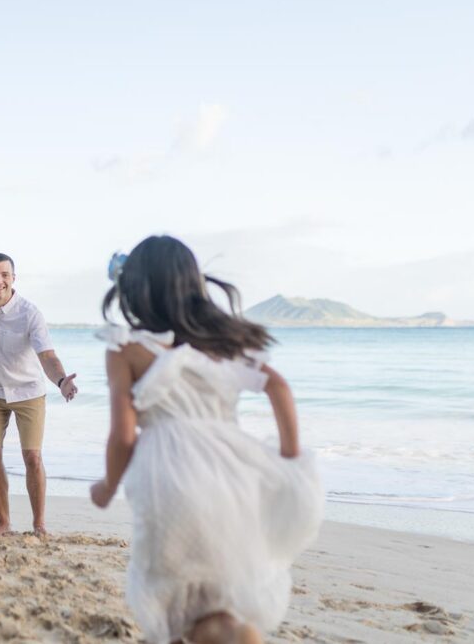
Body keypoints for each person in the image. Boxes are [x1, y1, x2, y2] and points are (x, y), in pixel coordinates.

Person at [90, 235, 323, 644]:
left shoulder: (126, 349)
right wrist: (288, 460)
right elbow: (280, 390)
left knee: (182, 603)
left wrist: (106, 487)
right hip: (232, 475)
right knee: (220, 597)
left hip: (167, 479)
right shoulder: (226, 344)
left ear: (135, 290)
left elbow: (123, 437)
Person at [0, 253, 77, 537]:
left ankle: (38, 524)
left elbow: (47, 355)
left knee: (32, 457)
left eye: (5, 275)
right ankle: (4, 522)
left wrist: (61, 381)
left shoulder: (30, 313)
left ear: (13, 279)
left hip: (28, 392)